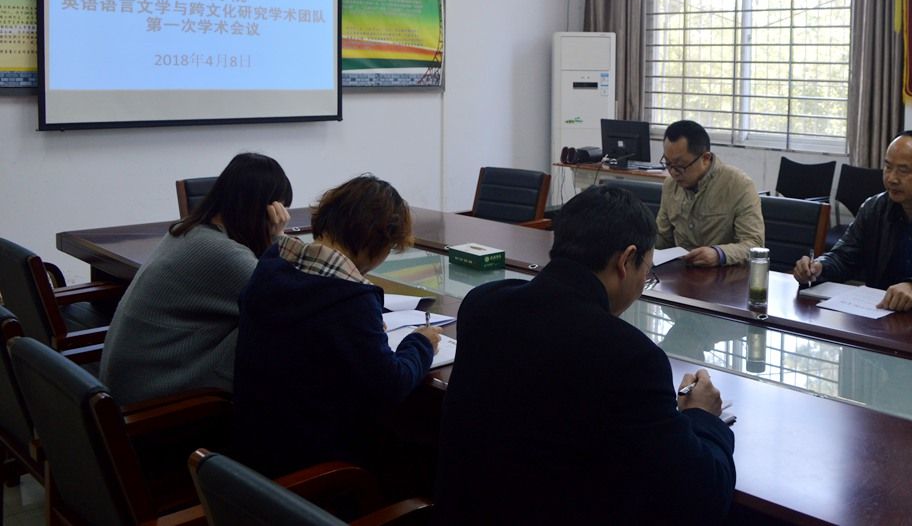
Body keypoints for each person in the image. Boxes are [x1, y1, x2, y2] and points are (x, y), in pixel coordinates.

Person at [435, 185, 736, 525]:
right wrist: (703, 417)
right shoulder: (629, 356)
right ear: (626, 261)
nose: (642, 283)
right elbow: (702, 498)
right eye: (647, 272)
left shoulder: (483, 304)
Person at [233, 174, 441, 482]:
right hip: (318, 471)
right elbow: (392, 383)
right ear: (378, 240)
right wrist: (421, 343)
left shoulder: (273, 263)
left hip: (254, 453)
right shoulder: (350, 298)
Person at [100, 152, 292, 403]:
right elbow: (288, 300)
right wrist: (275, 239)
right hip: (152, 398)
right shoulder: (222, 253)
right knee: (280, 334)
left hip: (131, 380)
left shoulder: (189, 229)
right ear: (261, 211)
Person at [792, 130, 912, 311]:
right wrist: (819, 266)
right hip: (886, 312)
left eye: (903, 170)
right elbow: (845, 256)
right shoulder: (874, 207)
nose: (891, 178)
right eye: (887, 167)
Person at [655, 119, 765, 266]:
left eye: (680, 166)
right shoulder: (670, 185)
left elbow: (754, 244)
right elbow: (663, 239)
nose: (674, 172)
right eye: (668, 163)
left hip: (726, 278)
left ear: (705, 158)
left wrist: (719, 254)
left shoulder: (739, 185)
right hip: (682, 274)